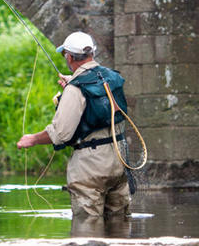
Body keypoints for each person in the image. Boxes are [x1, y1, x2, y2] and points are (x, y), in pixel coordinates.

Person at [17, 31, 131, 220]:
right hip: (119, 160)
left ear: (69, 57)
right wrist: (74, 85)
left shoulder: (75, 89)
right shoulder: (111, 77)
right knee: (119, 224)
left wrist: (33, 139)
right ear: (92, 54)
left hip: (90, 167)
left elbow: (61, 134)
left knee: (88, 226)